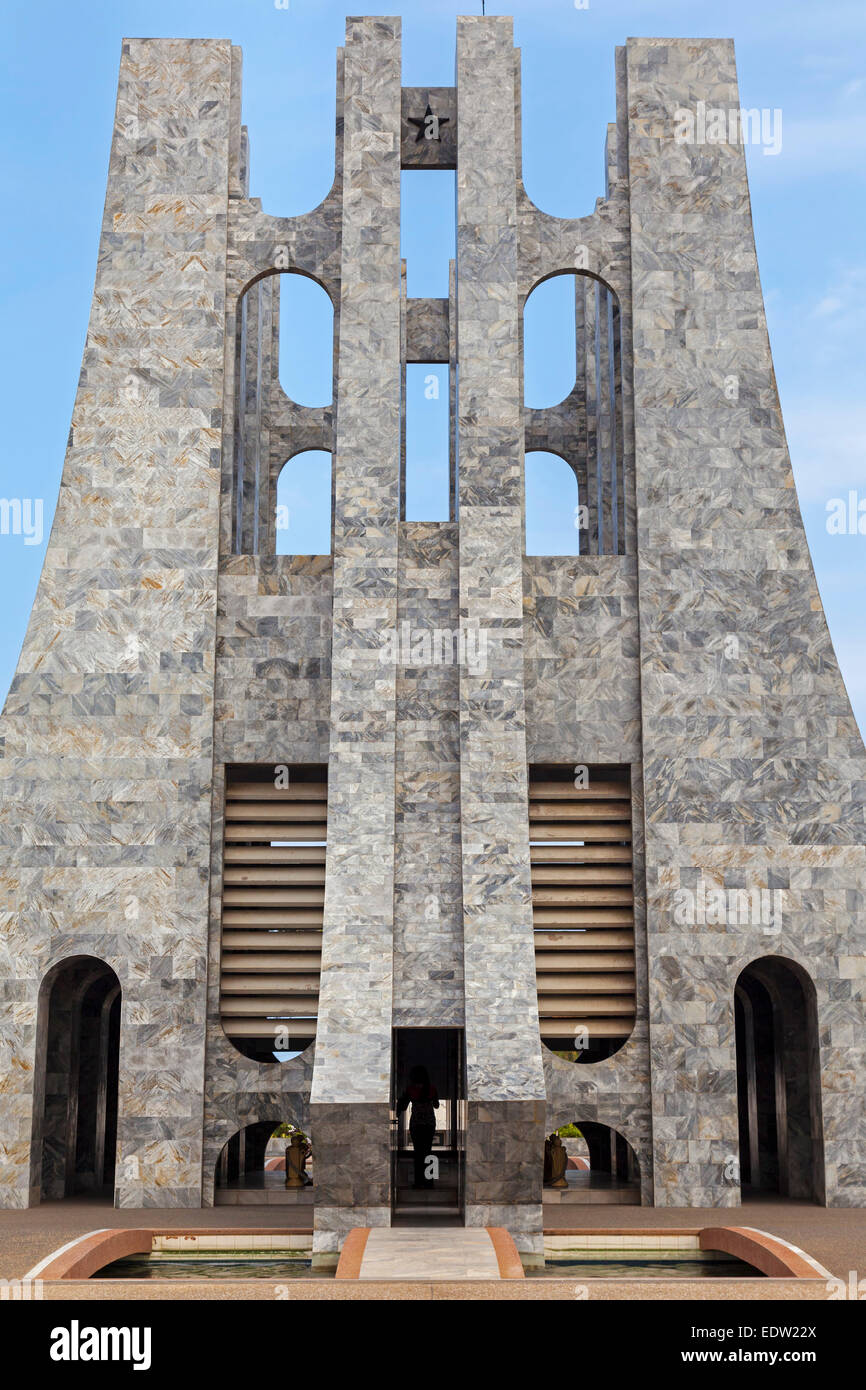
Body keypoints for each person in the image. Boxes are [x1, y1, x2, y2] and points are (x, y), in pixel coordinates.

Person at [396, 1065, 440, 1189]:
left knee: (418, 1153)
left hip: (416, 1124)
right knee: (428, 1151)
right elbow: (436, 1105)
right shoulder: (432, 1088)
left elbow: (402, 1107)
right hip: (430, 1124)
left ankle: (418, 1182)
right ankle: (429, 1182)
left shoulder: (410, 1090)